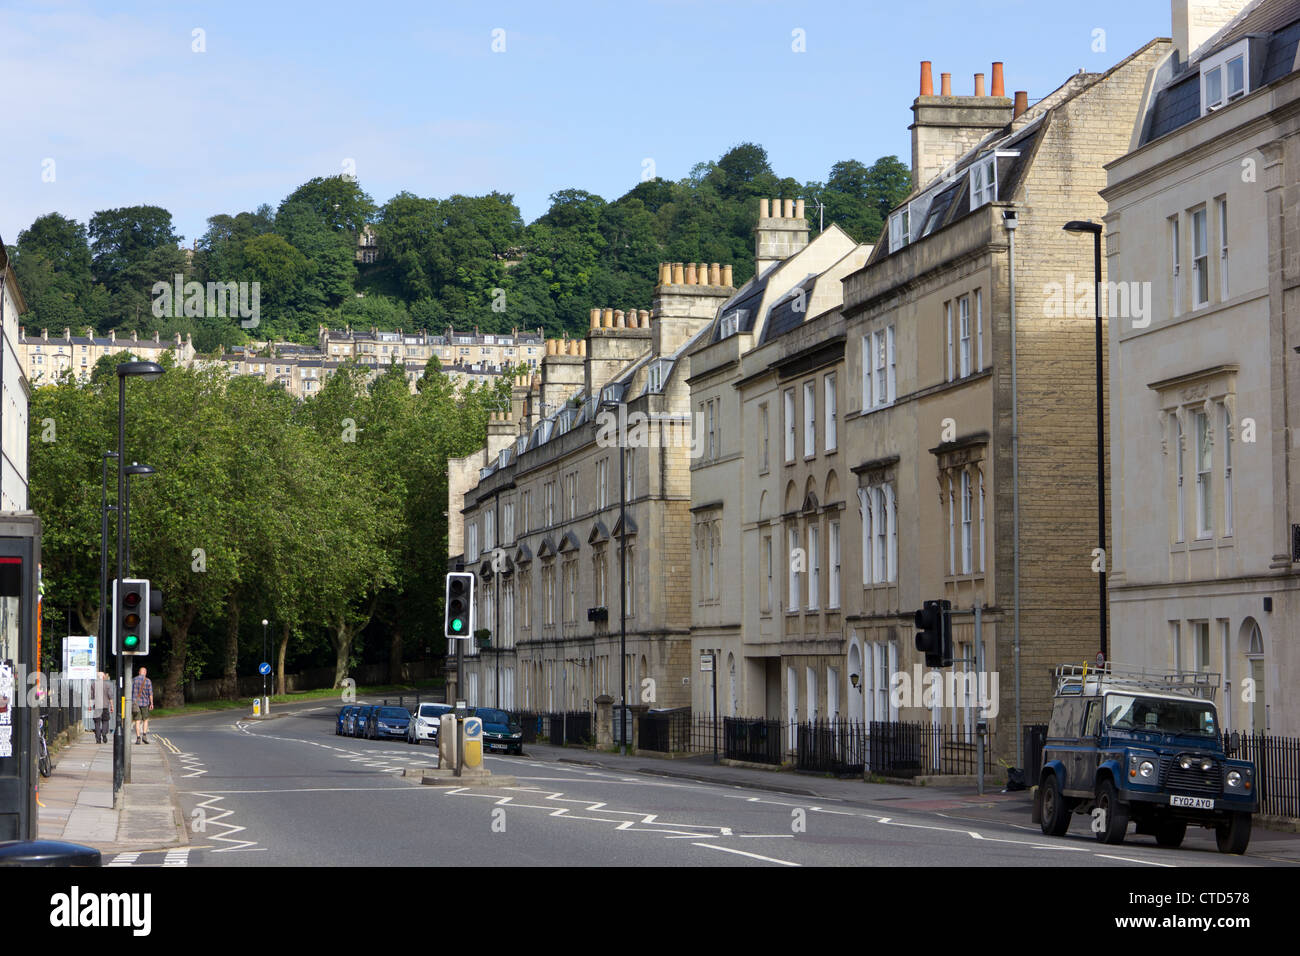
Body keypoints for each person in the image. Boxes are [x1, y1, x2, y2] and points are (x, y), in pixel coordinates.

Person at [131, 666, 154, 744]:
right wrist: (151, 703)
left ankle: (138, 738)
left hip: (135, 703)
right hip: (145, 703)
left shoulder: (134, 680)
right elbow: (150, 693)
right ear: (145, 673)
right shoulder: (148, 681)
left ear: (139, 672)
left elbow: (129, 691)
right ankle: (144, 735)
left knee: (137, 721)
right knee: (145, 720)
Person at [91, 671, 112, 743]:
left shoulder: (93, 684)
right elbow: (110, 697)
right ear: (103, 677)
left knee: (97, 723)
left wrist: (90, 705)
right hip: (105, 706)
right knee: (105, 721)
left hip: (97, 706)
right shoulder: (107, 685)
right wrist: (112, 706)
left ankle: (98, 739)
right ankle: (104, 733)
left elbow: (91, 696)